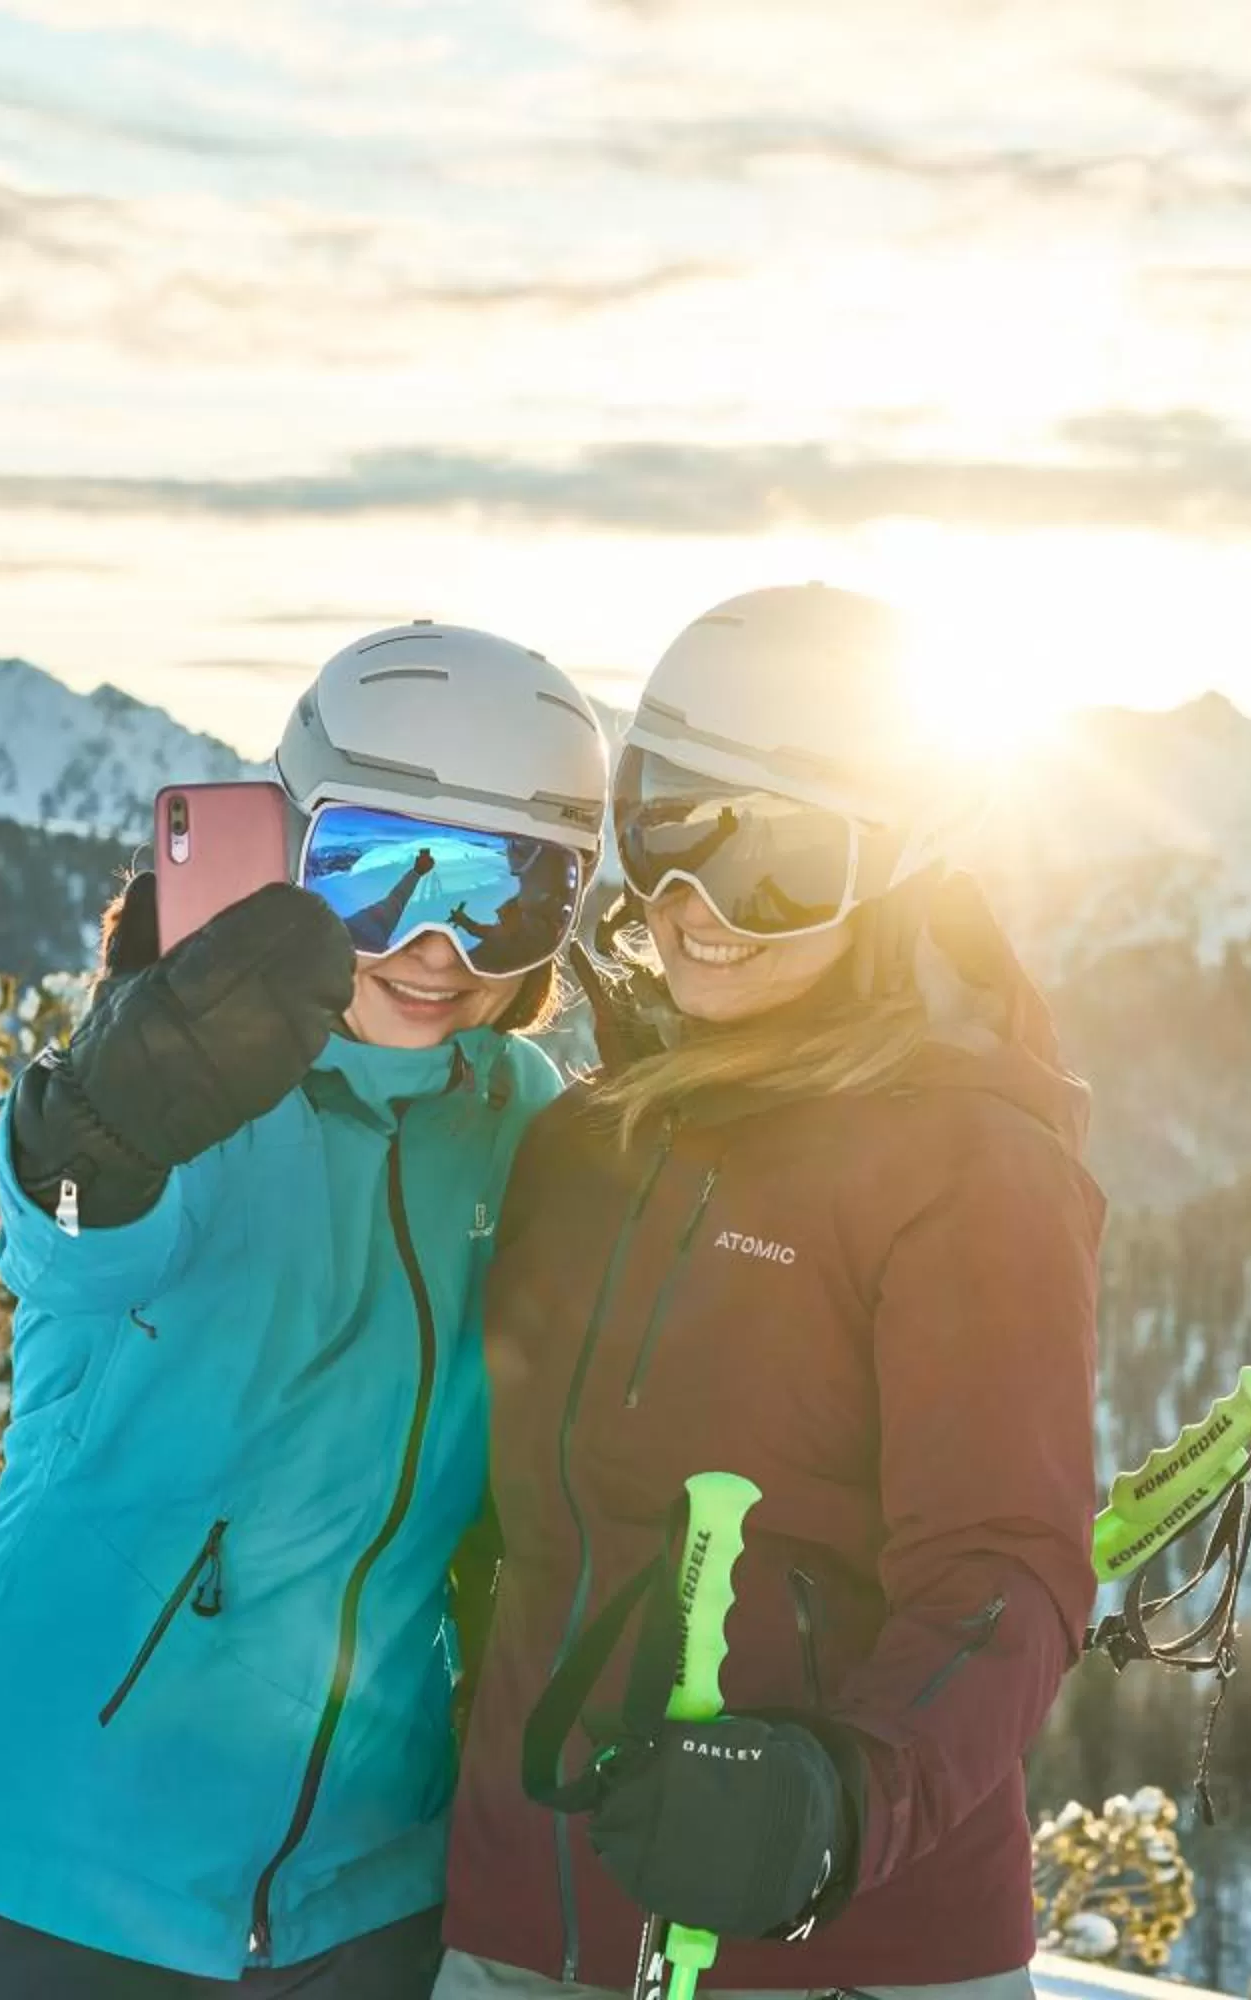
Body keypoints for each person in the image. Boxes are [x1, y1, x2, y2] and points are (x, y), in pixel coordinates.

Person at [0, 622, 611, 1999]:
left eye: (505, 895)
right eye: (382, 875)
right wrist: (90, 1131)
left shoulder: (525, 1126)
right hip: (39, 1873)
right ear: (288, 851)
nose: (439, 946)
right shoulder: (186, 1084)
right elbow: (67, 1236)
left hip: (362, 1902)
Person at [438, 585, 1105, 1999]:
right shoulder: (582, 1141)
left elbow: (1008, 1570)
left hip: (825, 1943)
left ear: (901, 874)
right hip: (525, 1919)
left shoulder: (965, 1161)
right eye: (667, 828)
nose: (698, 910)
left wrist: (839, 1802)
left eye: (784, 868)